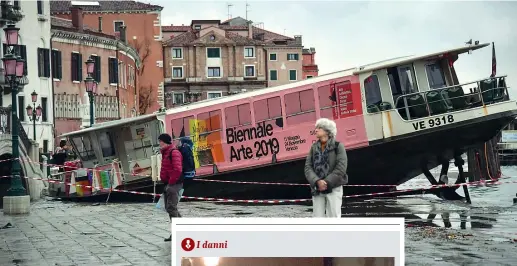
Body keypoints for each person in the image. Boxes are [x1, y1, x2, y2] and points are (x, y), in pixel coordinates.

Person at [304, 118, 348, 218]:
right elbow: (308, 167)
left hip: (334, 187)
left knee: (333, 216)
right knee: (317, 218)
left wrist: (327, 182)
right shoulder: (313, 147)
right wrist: (317, 181)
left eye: (319, 128)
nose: (316, 130)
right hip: (317, 188)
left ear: (327, 131)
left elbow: (341, 167)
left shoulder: (338, 146)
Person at [158, 133, 183, 242]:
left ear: (165, 142)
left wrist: (171, 182)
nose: (159, 143)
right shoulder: (166, 152)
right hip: (168, 184)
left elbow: (177, 169)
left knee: (171, 208)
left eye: (161, 141)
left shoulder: (174, 152)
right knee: (170, 208)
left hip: (174, 184)